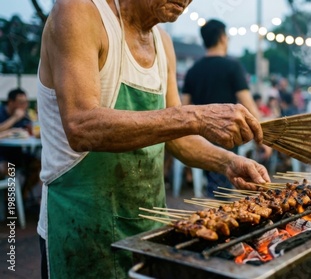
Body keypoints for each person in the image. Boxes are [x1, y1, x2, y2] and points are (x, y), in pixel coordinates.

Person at [36, 1, 270, 278]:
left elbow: (178, 139)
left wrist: (228, 162)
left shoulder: (164, 44)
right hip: (81, 226)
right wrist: (194, 117)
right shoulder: (79, 11)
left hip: (148, 228)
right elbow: (81, 125)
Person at [182, 19, 264, 197]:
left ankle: (214, 202)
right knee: (223, 190)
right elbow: (248, 104)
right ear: (222, 37)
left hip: (200, 141)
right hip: (227, 136)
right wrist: (263, 134)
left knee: (215, 185)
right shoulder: (232, 67)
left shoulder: (192, 71)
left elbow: (183, 108)